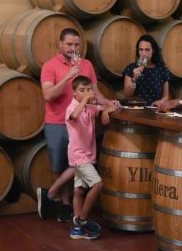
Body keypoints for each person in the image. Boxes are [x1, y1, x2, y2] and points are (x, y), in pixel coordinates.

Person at [37, 28, 118, 223]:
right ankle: (65, 203)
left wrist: (109, 104)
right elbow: (48, 95)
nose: (73, 49)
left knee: (78, 162)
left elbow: (95, 93)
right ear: (60, 44)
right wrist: (67, 77)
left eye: (76, 45)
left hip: (81, 124)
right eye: (69, 44)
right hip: (56, 122)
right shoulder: (49, 66)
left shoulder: (87, 64)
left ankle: (55, 194)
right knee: (59, 164)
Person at [66, 76, 117, 239]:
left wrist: (111, 106)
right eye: (82, 90)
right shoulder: (72, 108)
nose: (87, 93)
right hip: (79, 155)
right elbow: (74, 116)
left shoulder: (89, 108)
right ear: (74, 93)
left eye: (89, 90)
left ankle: (77, 229)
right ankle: (82, 220)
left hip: (87, 155)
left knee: (79, 190)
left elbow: (103, 107)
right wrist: (86, 100)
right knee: (98, 185)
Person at [122, 34, 171, 106]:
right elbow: (127, 96)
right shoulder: (131, 68)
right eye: (141, 50)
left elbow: (166, 96)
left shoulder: (161, 68)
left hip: (154, 111)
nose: (143, 53)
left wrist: (160, 102)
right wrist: (134, 79)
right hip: (135, 111)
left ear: (153, 51)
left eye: (147, 50)